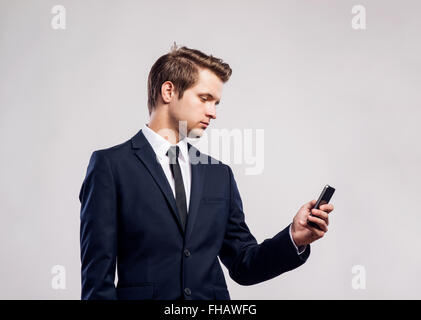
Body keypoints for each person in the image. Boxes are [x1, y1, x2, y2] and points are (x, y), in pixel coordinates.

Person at [79, 44, 334, 300]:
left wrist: (295, 238)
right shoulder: (110, 166)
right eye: (204, 98)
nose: (213, 112)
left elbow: (243, 264)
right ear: (169, 91)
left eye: (216, 103)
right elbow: (97, 280)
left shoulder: (219, 175)